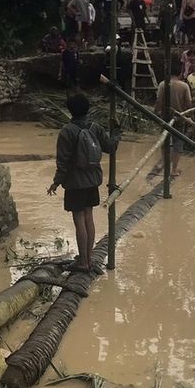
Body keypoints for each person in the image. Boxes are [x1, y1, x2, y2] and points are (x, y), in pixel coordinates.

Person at [47, 93, 119, 275]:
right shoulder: (95, 127)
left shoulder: (67, 131)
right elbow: (111, 147)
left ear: (70, 110)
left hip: (75, 183)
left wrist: (56, 183)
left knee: (79, 221)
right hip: (93, 180)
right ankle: (89, 258)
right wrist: (117, 132)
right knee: (89, 217)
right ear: (87, 109)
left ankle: (83, 263)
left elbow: (62, 163)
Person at [157, 71, 192, 178]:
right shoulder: (184, 86)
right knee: (177, 144)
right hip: (179, 118)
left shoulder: (163, 84)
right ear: (180, 74)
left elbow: (159, 100)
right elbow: (188, 103)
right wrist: (189, 116)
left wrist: (156, 113)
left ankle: (164, 166)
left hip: (165, 117)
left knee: (164, 142)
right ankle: (174, 169)